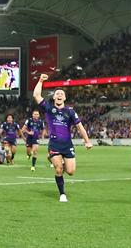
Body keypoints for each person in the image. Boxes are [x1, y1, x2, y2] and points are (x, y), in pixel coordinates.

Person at [33, 74, 92, 202]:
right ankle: (62, 194)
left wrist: (87, 141)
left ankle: (55, 160)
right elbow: (37, 96)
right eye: (57, 93)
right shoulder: (49, 108)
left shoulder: (70, 112)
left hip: (67, 145)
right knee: (59, 169)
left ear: (64, 97)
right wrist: (40, 81)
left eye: (61, 93)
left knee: (70, 172)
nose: (59, 95)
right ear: (54, 97)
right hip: (54, 144)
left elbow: (80, 127)